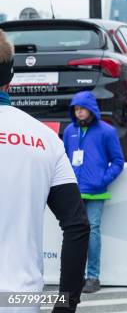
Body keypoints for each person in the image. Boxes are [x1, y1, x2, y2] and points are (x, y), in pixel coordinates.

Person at [0, 29, 90, 312]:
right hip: (20, 299)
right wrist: (65, 306)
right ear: (11, 76)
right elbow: (77, 225)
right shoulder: (45, 137)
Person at [63, 91, 125, 293]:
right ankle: (76, 277)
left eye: (82, 108)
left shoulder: (106, 132)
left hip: (96, 193)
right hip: (74, 192)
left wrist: (102, 180)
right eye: (76, 109)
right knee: (75, 235)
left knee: (93, 232)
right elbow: (63, 159)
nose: (79, 112)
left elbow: (118, 161)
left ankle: (93, 277)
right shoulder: (69, 131)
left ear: (91, 109)